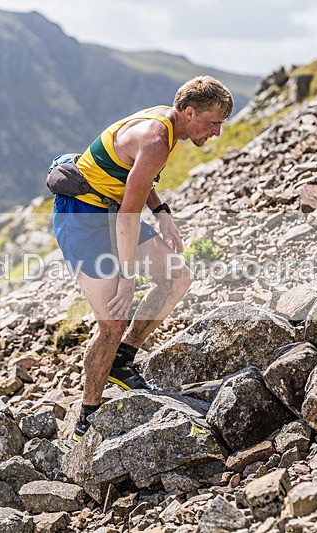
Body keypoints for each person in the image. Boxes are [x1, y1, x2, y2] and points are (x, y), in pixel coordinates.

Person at [51, 76, 234, 440]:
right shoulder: (155, 139)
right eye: (213, 122)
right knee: (112, 322)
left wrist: (162, 210)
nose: (216, 132)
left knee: (177, 278)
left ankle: (123, 359)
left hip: (112, 209)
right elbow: (127, 216)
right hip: (83, 218)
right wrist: (127, 276)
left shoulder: (169, 127)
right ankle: (87, 415)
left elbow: (138, 179)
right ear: (190, 111)